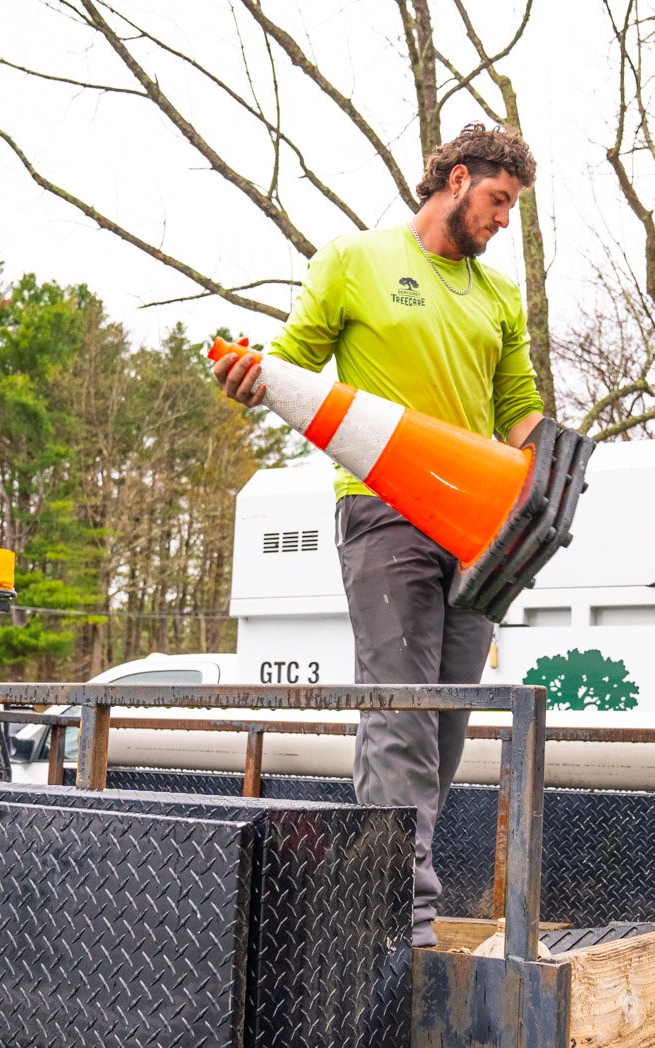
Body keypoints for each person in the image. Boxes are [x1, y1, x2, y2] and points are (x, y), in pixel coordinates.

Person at [214, 124, 546, 948]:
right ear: (458, 179)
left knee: (446, 721)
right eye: (499, 202)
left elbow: (521, 413)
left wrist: (552, 477)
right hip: (383, 507)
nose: (505, 221)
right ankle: (401, 919)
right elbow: (286, 364)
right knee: (397, 711)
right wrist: (247, 379)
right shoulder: (354, 261)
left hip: (477, 530)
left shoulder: (499, 297)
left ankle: (401, 895)